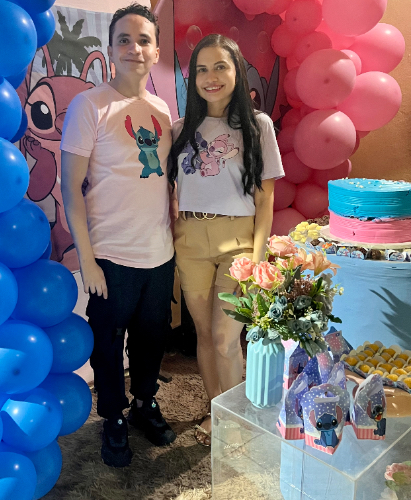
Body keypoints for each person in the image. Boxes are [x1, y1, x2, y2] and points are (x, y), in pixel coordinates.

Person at [60, 3, 176, 468]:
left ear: (156, 51)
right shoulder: (90, 106)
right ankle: (113, 416)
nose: (134, 48)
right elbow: (70, 187)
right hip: (109, 255)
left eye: (143, 40)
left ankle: (145, 402)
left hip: (159, 253)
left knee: (151, 339)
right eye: (124, 40)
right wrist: (87, 260)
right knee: (107, 345)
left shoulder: (162, 109)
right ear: (110, 50)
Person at [169, 34, 284, 447]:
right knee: (203, 335)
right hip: (189, 240)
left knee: (224, 337)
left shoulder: (258, 126)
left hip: (238, 242)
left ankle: (237, 418)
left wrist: (257, 259)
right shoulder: (179, 129)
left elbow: (265, 200)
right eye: (201, 69)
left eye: (220, 66)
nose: (210, 77)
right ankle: (216, 409)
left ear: (237, 71)